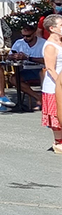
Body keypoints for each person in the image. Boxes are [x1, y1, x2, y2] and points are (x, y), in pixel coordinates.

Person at [39, 13, 62, 154]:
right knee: (56, 113)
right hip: (54, 85)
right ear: (52, 28)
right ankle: (58, 141)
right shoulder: (50, 46)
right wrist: (59, 83)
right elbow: (50, 68)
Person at [10, 23, 47, 108]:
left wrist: (28, 58)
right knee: (13, 79)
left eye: (28, 36)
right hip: (27, 69)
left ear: (34, 33)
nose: (25, 38)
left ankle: (44, 99)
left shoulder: (44, 43)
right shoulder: (19, 43)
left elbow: (47, 61)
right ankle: (38, 97)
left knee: (43, 73)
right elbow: (9, 55)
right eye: (23, 36)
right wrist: (14, 56)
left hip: (41, 69)